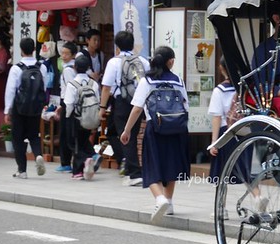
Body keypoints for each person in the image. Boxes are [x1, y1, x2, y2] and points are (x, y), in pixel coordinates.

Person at [121, 46, 189, 225]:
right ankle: (170, 202)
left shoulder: (147, 81)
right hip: (176, 129)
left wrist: (127, 130)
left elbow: (137, 109)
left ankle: (160, 199)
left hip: (154, 129)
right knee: (171, 166)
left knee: (151, 166)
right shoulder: (178, 81)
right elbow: (185, 107)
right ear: (171, 62)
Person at [100, 31, 149, 187]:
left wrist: (102, 107)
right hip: (138, 103)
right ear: (133, 44)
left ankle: (134, 173)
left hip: (121, 102)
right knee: (119, 133)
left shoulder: (114, 62)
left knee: (126, 137)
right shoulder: (143, 61)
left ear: (117, 45)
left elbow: (106, 87)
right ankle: (127, 164)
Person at [4, 37, 48, 179]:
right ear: (34, 49)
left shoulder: (16, 68)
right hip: (35, 107)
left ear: (21, 50)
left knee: (17, 138)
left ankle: (22, 170)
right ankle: (38, 155)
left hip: (19, 108)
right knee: (34, 136)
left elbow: (11, 90)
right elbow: (44, 87)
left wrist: (7, 110)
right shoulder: (42, 67)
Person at [207, 57, 254, 188]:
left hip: (226, 132)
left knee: (222, 172)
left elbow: (217, 117)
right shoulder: (246, 89)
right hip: (245, 131)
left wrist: (214, 142)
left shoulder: (220, 90)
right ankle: (257, 196)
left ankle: (221, 205)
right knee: (244, 168)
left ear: (221, 69)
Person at [64, 55, 99, 180]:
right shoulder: (93, 83)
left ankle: (81, 167)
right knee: (84, 142)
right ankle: (86, 162)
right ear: (88, 67)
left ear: (75, 67)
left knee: (74, 144)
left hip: (76, 118)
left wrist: (68, 117)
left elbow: (69, 104)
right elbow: (97, 101)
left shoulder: (72, 84)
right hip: (89, 117)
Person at [54, 41, 78, 173]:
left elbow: (69, 89)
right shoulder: (72, 68)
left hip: (68, 102)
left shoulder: (68, 70)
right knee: (67, 132)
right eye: (62, 53)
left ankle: (66, 162)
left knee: (65, 133)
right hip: (67, 102)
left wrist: (64, 105)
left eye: (66, 53)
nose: (63, 56)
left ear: (73, 55)